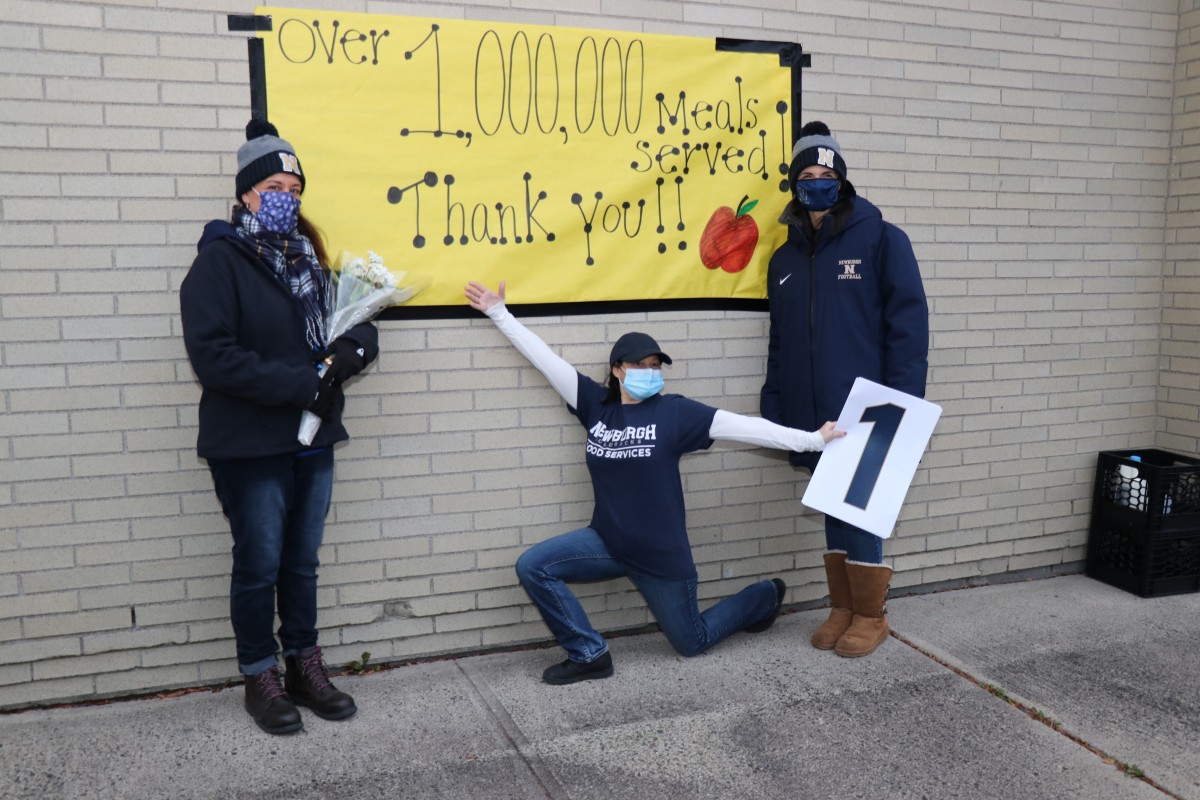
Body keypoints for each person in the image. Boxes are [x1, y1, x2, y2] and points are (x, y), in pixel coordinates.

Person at [465, 280, 844, 685]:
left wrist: (812, 440)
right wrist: (498, 312)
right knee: (533, 566)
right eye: (638, 365)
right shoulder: (596, 405)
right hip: (607, 543)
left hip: (661, 558)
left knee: (691, 642)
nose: (649, 372)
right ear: (616, 370)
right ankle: (590, 654)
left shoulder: (675, 413)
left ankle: (766, 594)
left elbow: (747, 428)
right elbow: (545, 359)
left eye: (655, 365)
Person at [179, 119, 378, 734]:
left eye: (294, 186)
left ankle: (303, 663)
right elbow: (213, 355)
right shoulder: (220, 262)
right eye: (272, 185)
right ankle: (259, 673)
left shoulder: (312, 257)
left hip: (312, 437)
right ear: (245, 194)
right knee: (259, 562)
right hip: (249, 445)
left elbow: (358, 318)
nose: (284, 196)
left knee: (301, 562)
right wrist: (301, 383)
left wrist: (355, 350)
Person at [760, 120, 929, 659]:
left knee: (859, 509)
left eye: (825, 174)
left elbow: (909, 327)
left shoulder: (882, 239)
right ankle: (843, 606)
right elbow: (779, 342)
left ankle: (872, 615)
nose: (816, 182)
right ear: (793, 185)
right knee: (832, 506)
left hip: (868, 409)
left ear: (842, 181)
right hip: (811, 413)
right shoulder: (784, 259)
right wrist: (777, 410)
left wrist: (900, 405)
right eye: (806, 174)